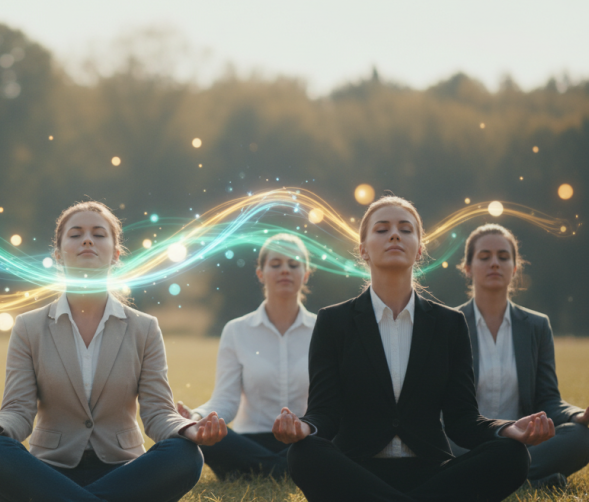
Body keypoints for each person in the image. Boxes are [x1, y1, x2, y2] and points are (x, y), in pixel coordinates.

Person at [275, 195, 554, 502]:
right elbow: (324, 414)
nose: (394, 234)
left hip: (431, 470)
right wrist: (303, 429)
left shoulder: (449, 323)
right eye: (382, 229)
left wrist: (508, 429)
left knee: (512, 455)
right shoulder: (334, 321)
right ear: (363, 249)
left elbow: (463, 420)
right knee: (303, 453)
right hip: (357, 470)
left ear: (420, 248)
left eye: (405, 229)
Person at [0, 200, 226, 502]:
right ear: (58, 255)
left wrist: (191, 430)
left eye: (98, 234)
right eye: (75, 234)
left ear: (116, 253)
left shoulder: (144, 327)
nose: (86, 240)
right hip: (50, 470)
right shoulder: (29, 327)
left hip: (124, 470)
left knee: (185, 454)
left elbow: (158, 412)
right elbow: (18, 411)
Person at [454, 224, 589, 490]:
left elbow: (549, 399)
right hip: (463, 443)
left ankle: (480, 481)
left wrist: (578, 416)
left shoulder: (537, 326)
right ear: (467, 268)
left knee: (581, 437)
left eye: (503, 257)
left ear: (515, 268)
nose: (495, 263)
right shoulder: (448, 323)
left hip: (520, 445)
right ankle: (525, 482)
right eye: (484, 257)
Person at [176, 233, 315, 480]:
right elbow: (225, 400)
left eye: (294, 264)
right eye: (275, 264)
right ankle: (289, 470)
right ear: (260, 273)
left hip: (304, 440)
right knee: (208, 439)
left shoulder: (322, 329)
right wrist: (196, 418)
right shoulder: (236, 330)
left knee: (333, 444)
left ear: (306, 273)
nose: (285, 270)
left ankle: (261, 470)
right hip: (249, 442)